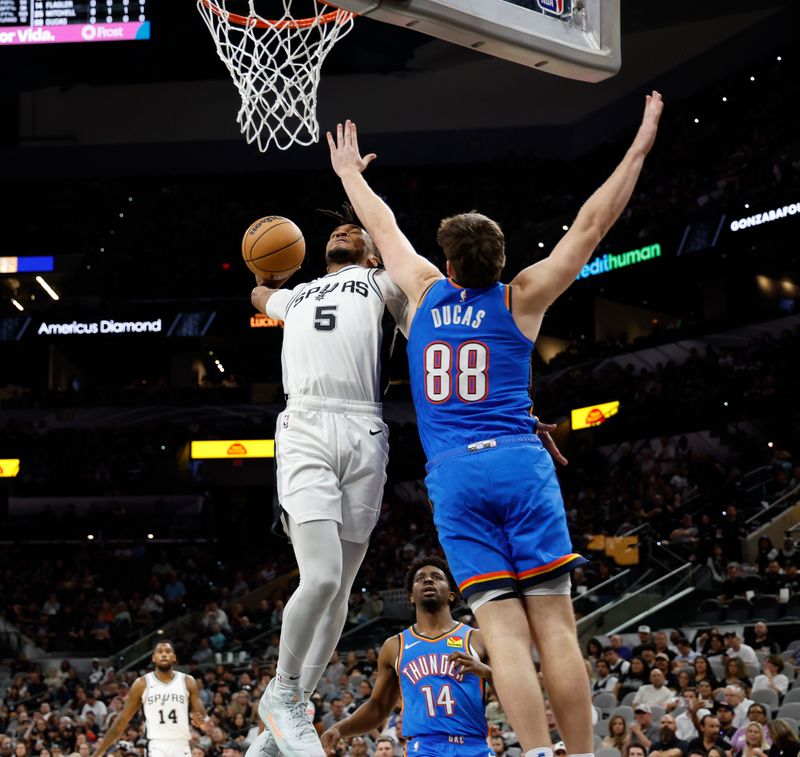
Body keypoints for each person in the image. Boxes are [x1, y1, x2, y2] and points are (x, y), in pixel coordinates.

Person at [328, 92, 664, 757]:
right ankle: (581, 753)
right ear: (501, 260)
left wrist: (349, 174)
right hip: (519, 461)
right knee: (556, 627)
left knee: (504, 633)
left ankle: (536, 751)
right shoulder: (522, 297)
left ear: (449, 264)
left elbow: (384, 224)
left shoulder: (424, 291)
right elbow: (593, 224)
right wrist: (639, 145)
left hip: (455, 476)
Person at [247, 212, 408, 757]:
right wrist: (265, 278)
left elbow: (428, 328)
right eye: (336, 231)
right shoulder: (296, 295)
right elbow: (257, 296)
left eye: (354, 231)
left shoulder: (385, 283)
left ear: (373, 250)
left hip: (366, 426)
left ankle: (283, 722)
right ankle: (283, 693)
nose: (342, 232)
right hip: (306, 425)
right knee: (319, 579)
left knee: (340, 588)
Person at [320, 556, 493, 757]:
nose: (428, 580)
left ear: (452, 595)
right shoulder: (395, 646)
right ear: (411, 596)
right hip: (423, 749)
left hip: (474, 746)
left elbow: (511, 694)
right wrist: (340, 729)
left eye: (437, 577)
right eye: (420, 578)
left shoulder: (478, 639)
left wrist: (488, 673)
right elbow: (378, 707)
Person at [92, 640, 208, 757]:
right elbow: (122, 721)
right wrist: (98, 753)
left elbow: (201, 715)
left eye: (168, 651)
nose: (164, 654)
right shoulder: (141, 684)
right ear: (153, 658)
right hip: (156, 746)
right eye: (160, 651)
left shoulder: (188, 681)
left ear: (174, 657)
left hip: (181, 745)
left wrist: (200, 719)